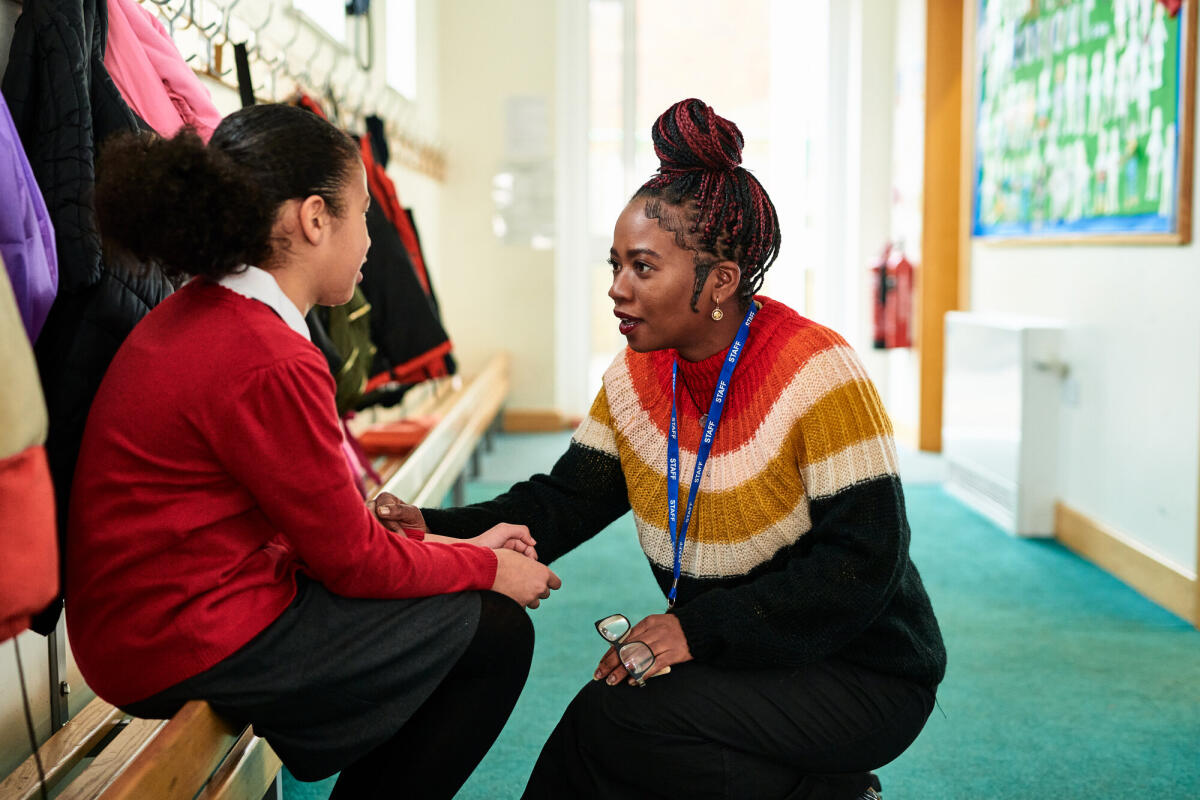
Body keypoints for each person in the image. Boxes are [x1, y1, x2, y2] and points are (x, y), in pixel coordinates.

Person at [376, 98, 947, 799]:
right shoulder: (636, 377)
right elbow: (561, 503)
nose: (617, 289)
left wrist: (695, 632)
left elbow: (862, 564)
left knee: (620, 719)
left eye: (642, 268)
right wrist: (430, 525)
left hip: (861, 668)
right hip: (746, 651)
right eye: (614, 264)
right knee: (628, 730)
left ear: (720, 280)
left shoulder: (817, 371)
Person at [66, 103, 561, 800]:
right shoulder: (266, 354)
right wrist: (486, 568)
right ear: (315, 218)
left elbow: (324, 535)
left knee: (463, 615)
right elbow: (353, 564)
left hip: (147, 623)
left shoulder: (209, 310)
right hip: (174, 637)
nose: (370, 241)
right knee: (495, 633)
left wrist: (452, 546)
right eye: (364, 215)